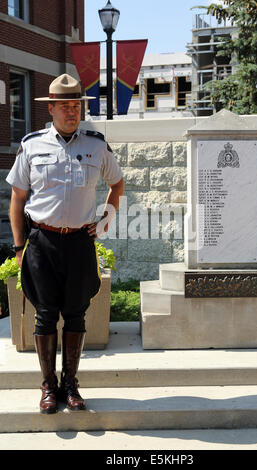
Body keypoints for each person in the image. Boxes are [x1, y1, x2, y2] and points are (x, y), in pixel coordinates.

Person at [6, 73, 124, 414]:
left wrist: (106, 219)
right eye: (65, 106)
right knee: (45, 315)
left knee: (76, 314)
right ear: (52, 108)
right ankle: (48, 387)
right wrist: (18, 248)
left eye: (76, 106)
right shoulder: (31, 146)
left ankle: (70, 385)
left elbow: (117, 185)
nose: (72, 112)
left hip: (79, 243)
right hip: (42, 241)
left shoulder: (96, 145)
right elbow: (17, 198)